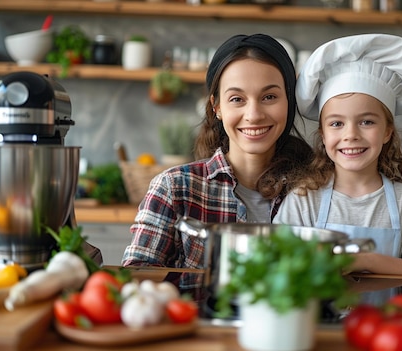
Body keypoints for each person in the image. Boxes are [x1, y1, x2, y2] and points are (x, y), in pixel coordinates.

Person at [122, 33, 313, 290]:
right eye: (237, 99)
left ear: (289, 101)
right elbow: (134, 287)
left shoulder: (315, 188)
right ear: (216, 107)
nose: (254, 114)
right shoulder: (174, 188)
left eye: (269, 97)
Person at [274, 34, 402, 276]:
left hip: (386, 314)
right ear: (322, 134)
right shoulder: (304, 200)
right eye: (336, 124)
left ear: (387, 131)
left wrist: (364, 261)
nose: (351, 135)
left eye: (366, 121)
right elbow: (280, 263)